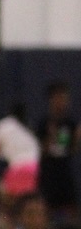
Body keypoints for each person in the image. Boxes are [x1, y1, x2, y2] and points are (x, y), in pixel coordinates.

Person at [36, 81, 77, 220]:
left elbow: (71, 149)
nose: (62, 102)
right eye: (58, 98)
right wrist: (52, 136)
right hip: (49, 174)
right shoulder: (43, 123)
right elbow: (42, 149)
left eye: (65, 98)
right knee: (47, 208)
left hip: (65, 172)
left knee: (71, 207)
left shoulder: (71, 124)